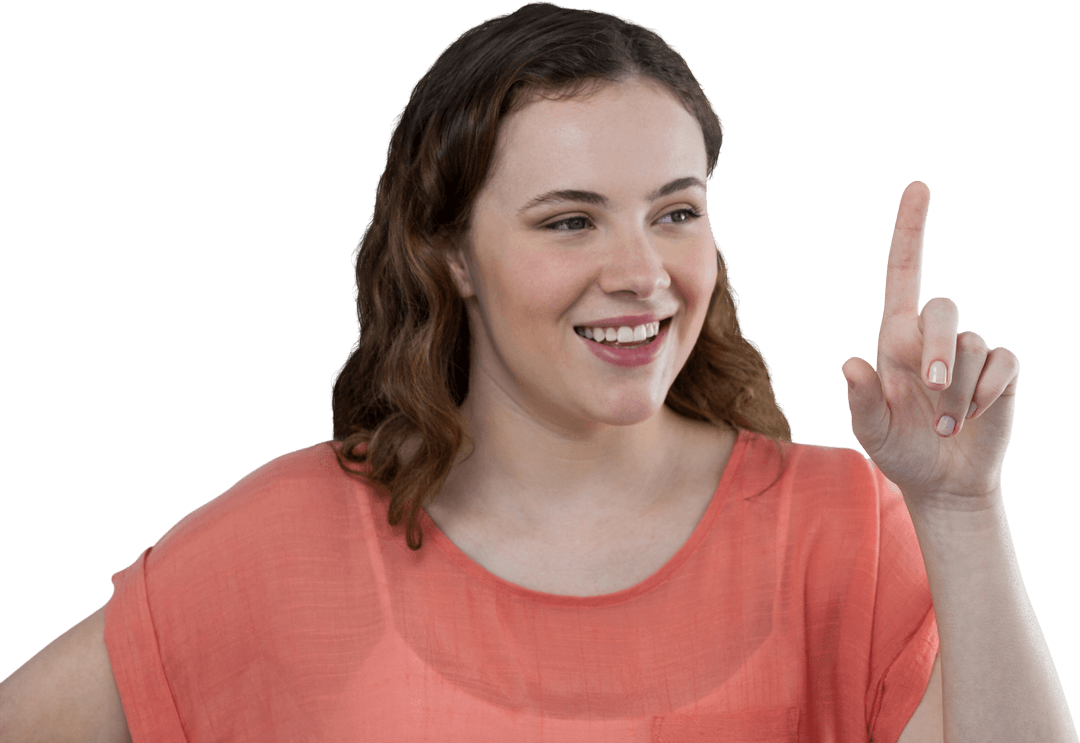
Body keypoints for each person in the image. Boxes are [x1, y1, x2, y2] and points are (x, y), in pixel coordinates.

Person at [3, 3, 987, 741]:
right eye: (570, 220)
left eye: (676, 211)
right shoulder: (285, 536)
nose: (643, 273)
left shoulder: (844, 526)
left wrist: (960, 506)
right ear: (452, 256)